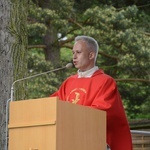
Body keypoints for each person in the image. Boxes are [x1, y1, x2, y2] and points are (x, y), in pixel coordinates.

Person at [50, 35, 133, 150]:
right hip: (68, 140)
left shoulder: (105, 81)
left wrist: (71, 115)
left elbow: (101, 112)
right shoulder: (69, 82)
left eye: (78, 52)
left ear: (91, 55)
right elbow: (53, 104)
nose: (74, 57)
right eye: (73, 52)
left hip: (93, 141)